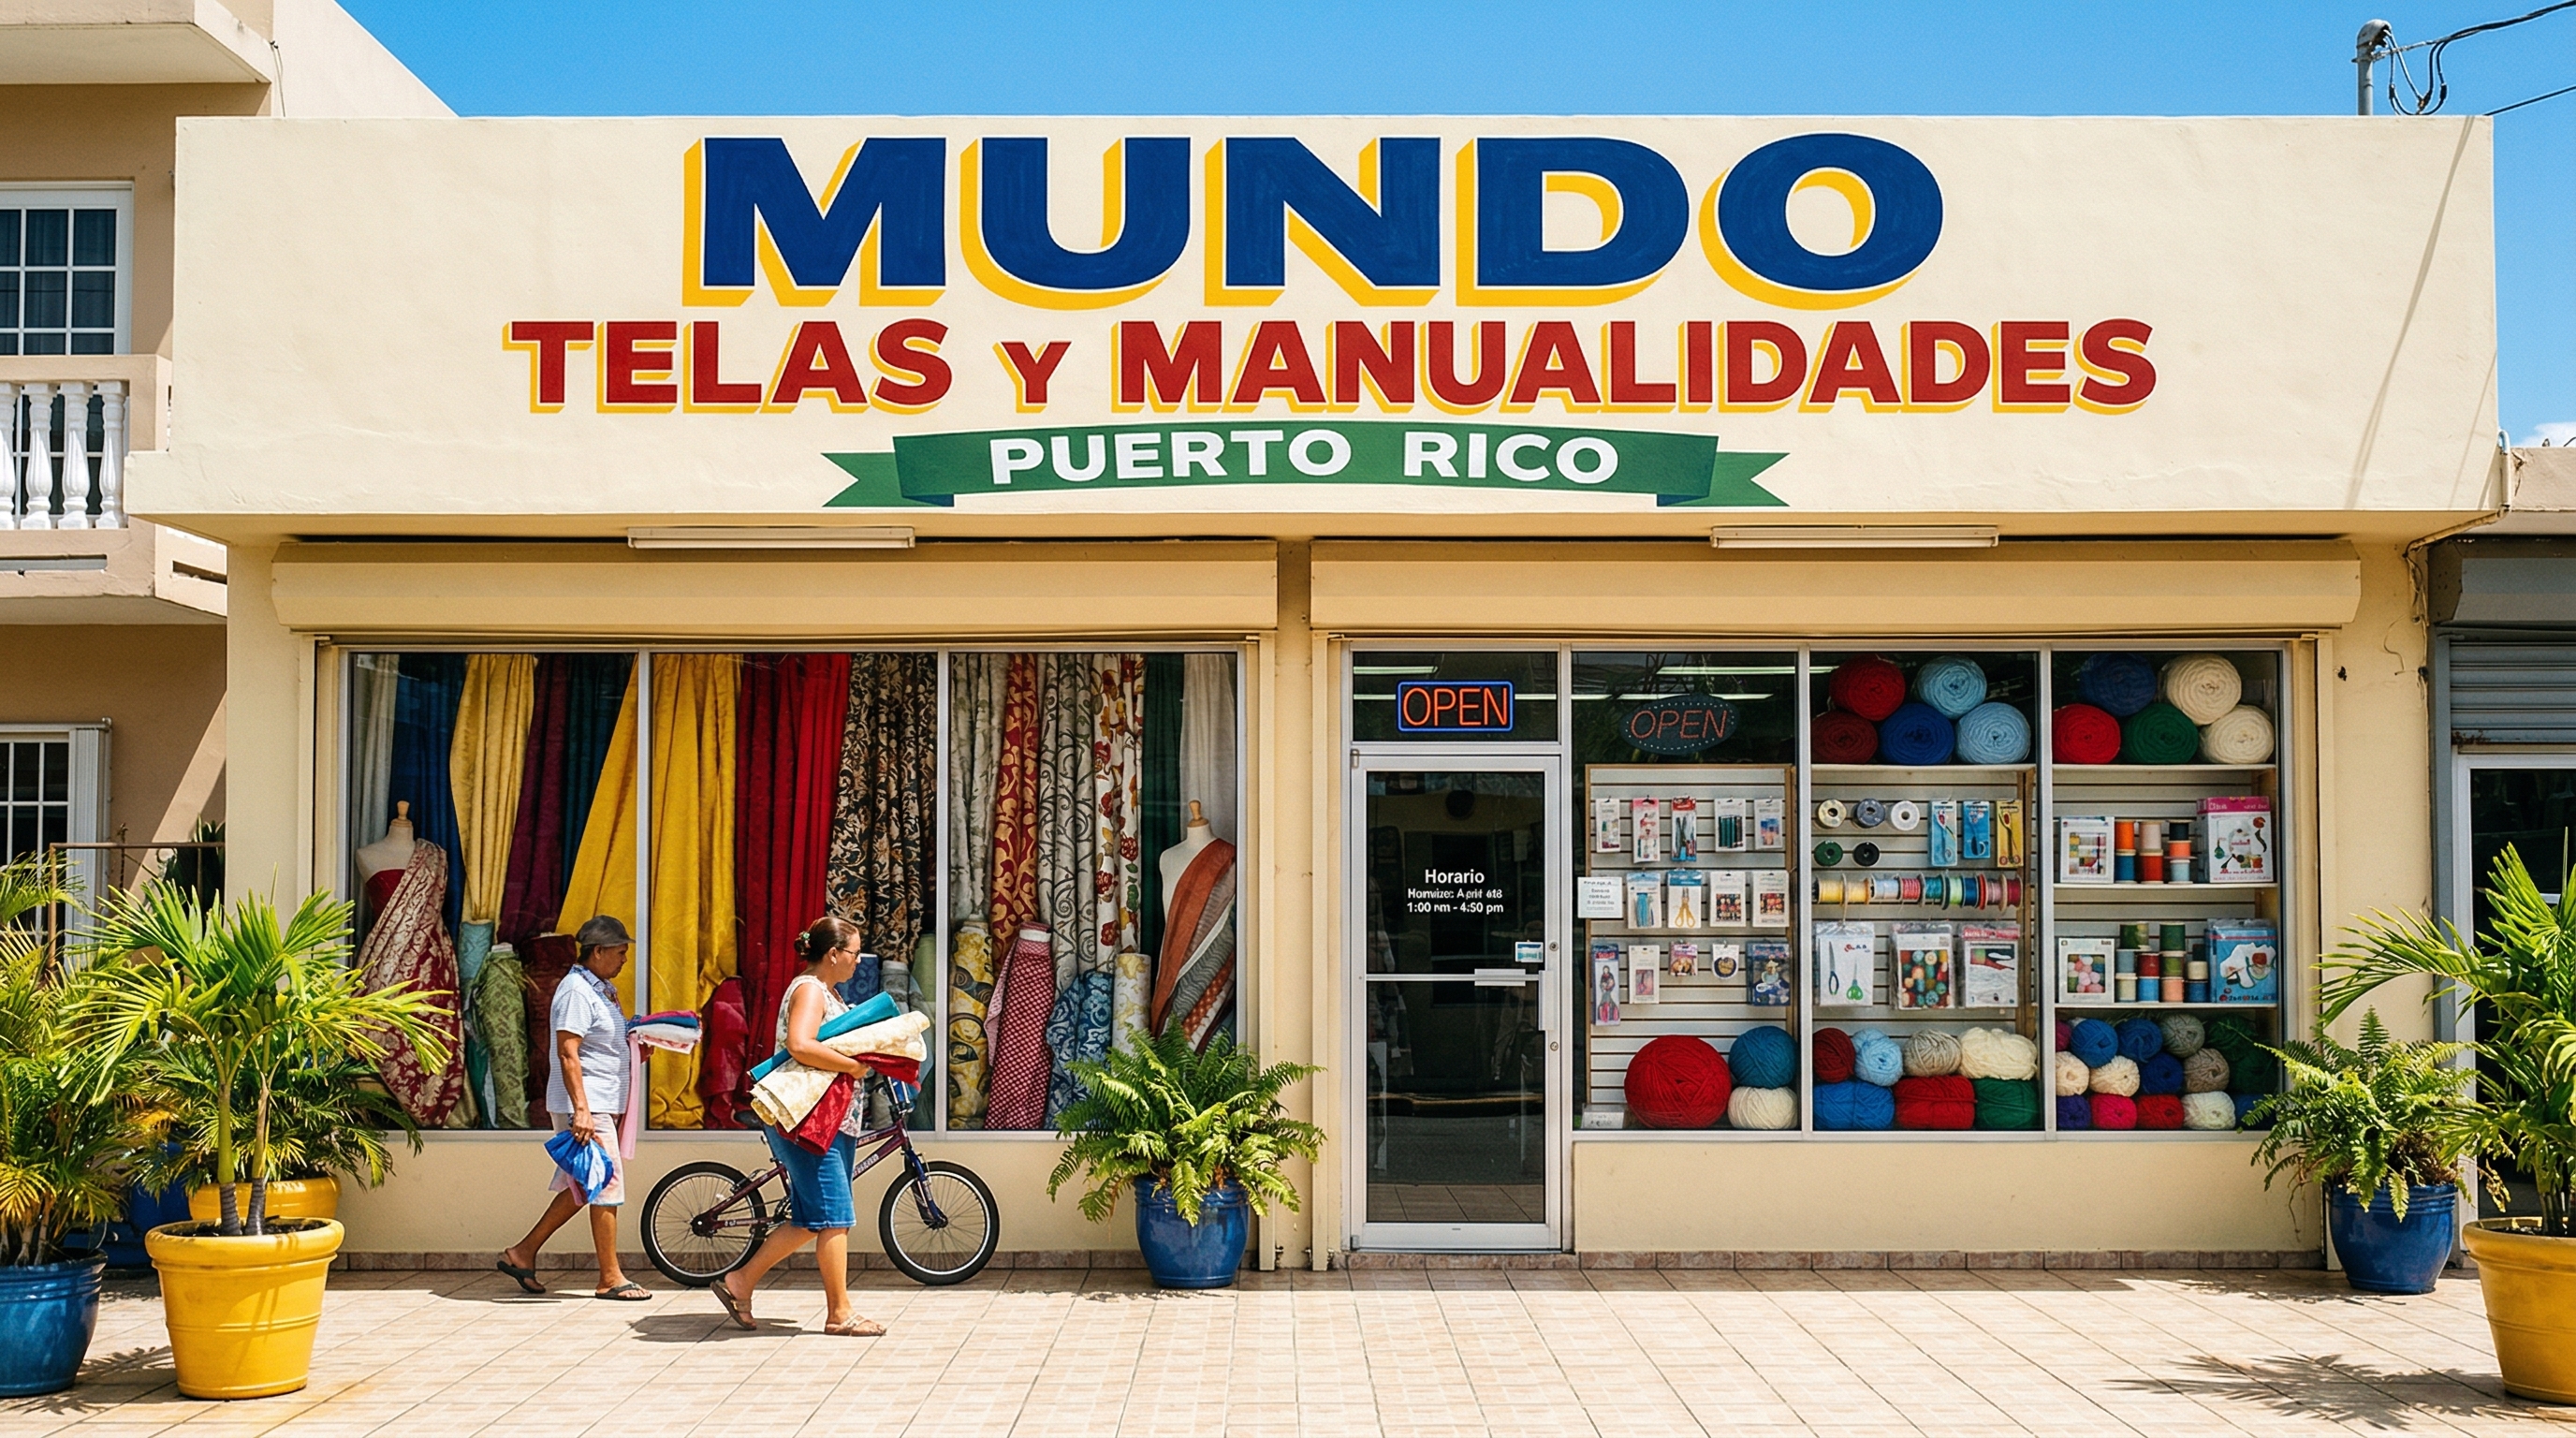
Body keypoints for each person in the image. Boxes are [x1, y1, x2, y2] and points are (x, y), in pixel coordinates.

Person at [713, 916, 886, 1337]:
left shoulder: (826, 991)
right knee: (835, 1217)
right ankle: (839, 1313)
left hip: (830, 1121)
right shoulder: (810, 989)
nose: (858, 961)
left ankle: (738, 1284)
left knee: (812, 1217)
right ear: (832, 954)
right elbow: (800, 1044)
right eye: (853, 952)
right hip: (810, 1123)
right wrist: (853, 1067)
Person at [496, 916, 649, 1300]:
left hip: (598, 1101)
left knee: (582, 1184)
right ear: (597, 952)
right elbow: (568, 1051)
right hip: (588, 1103)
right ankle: (610, 1277)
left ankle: (522, 1252)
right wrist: (582, 1110)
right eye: (619, 952)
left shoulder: (601, 990)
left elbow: (599, 1045)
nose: (624, 959)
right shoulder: (577, 992)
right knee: (606, 1182)